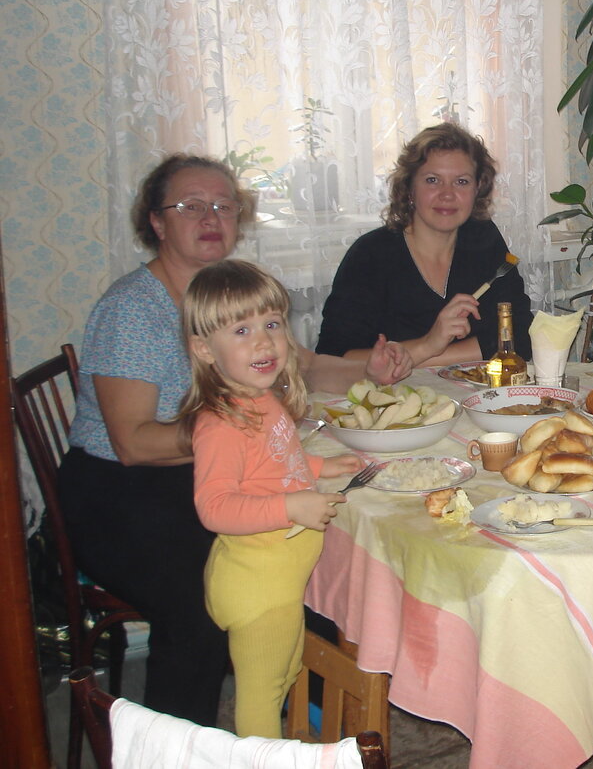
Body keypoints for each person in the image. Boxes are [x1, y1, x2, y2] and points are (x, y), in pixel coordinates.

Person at [58, 154, 411, 726]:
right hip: (119, 491)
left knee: (314, 555)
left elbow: (305, 368)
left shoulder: (233, 296)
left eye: (223, 206)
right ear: (156, 221)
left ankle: (309, 721)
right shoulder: (132, 310)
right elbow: (134, 442)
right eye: (190, 206)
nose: (210, 216)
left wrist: (368, 369)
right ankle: (177, 745)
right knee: (199, 606)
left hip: (200, 471)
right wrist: (235, 425)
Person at [180, 260, 361, 737]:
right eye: (241, 330)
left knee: (284, 674)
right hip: (260, 593)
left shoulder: (258, 397)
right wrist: (290, 507)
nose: (263, 342)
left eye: (272, 324)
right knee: (262, 702)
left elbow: (275, 462)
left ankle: (299, 738)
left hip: (277, 581)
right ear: (204, 349)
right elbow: (214, 507)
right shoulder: (220, 422)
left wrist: (321, 468)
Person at [316, 122, 533, 367]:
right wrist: (429, 344)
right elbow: (332, 360)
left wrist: (414, 356)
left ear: (477, 189)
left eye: (461, 182)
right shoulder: (370, 256)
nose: (447, 194)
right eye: (432, 180)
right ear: (409, 189)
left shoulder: (483, 239)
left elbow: (519, 339)